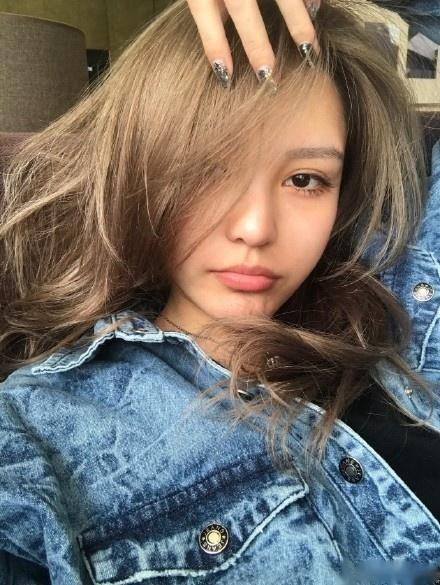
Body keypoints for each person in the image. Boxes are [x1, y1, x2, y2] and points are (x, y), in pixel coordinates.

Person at [0, 0, 439, 583]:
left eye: (304, 179)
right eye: (208, 169)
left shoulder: (402, 288)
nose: (255, 229)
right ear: (142, 168)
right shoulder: (38, 433)